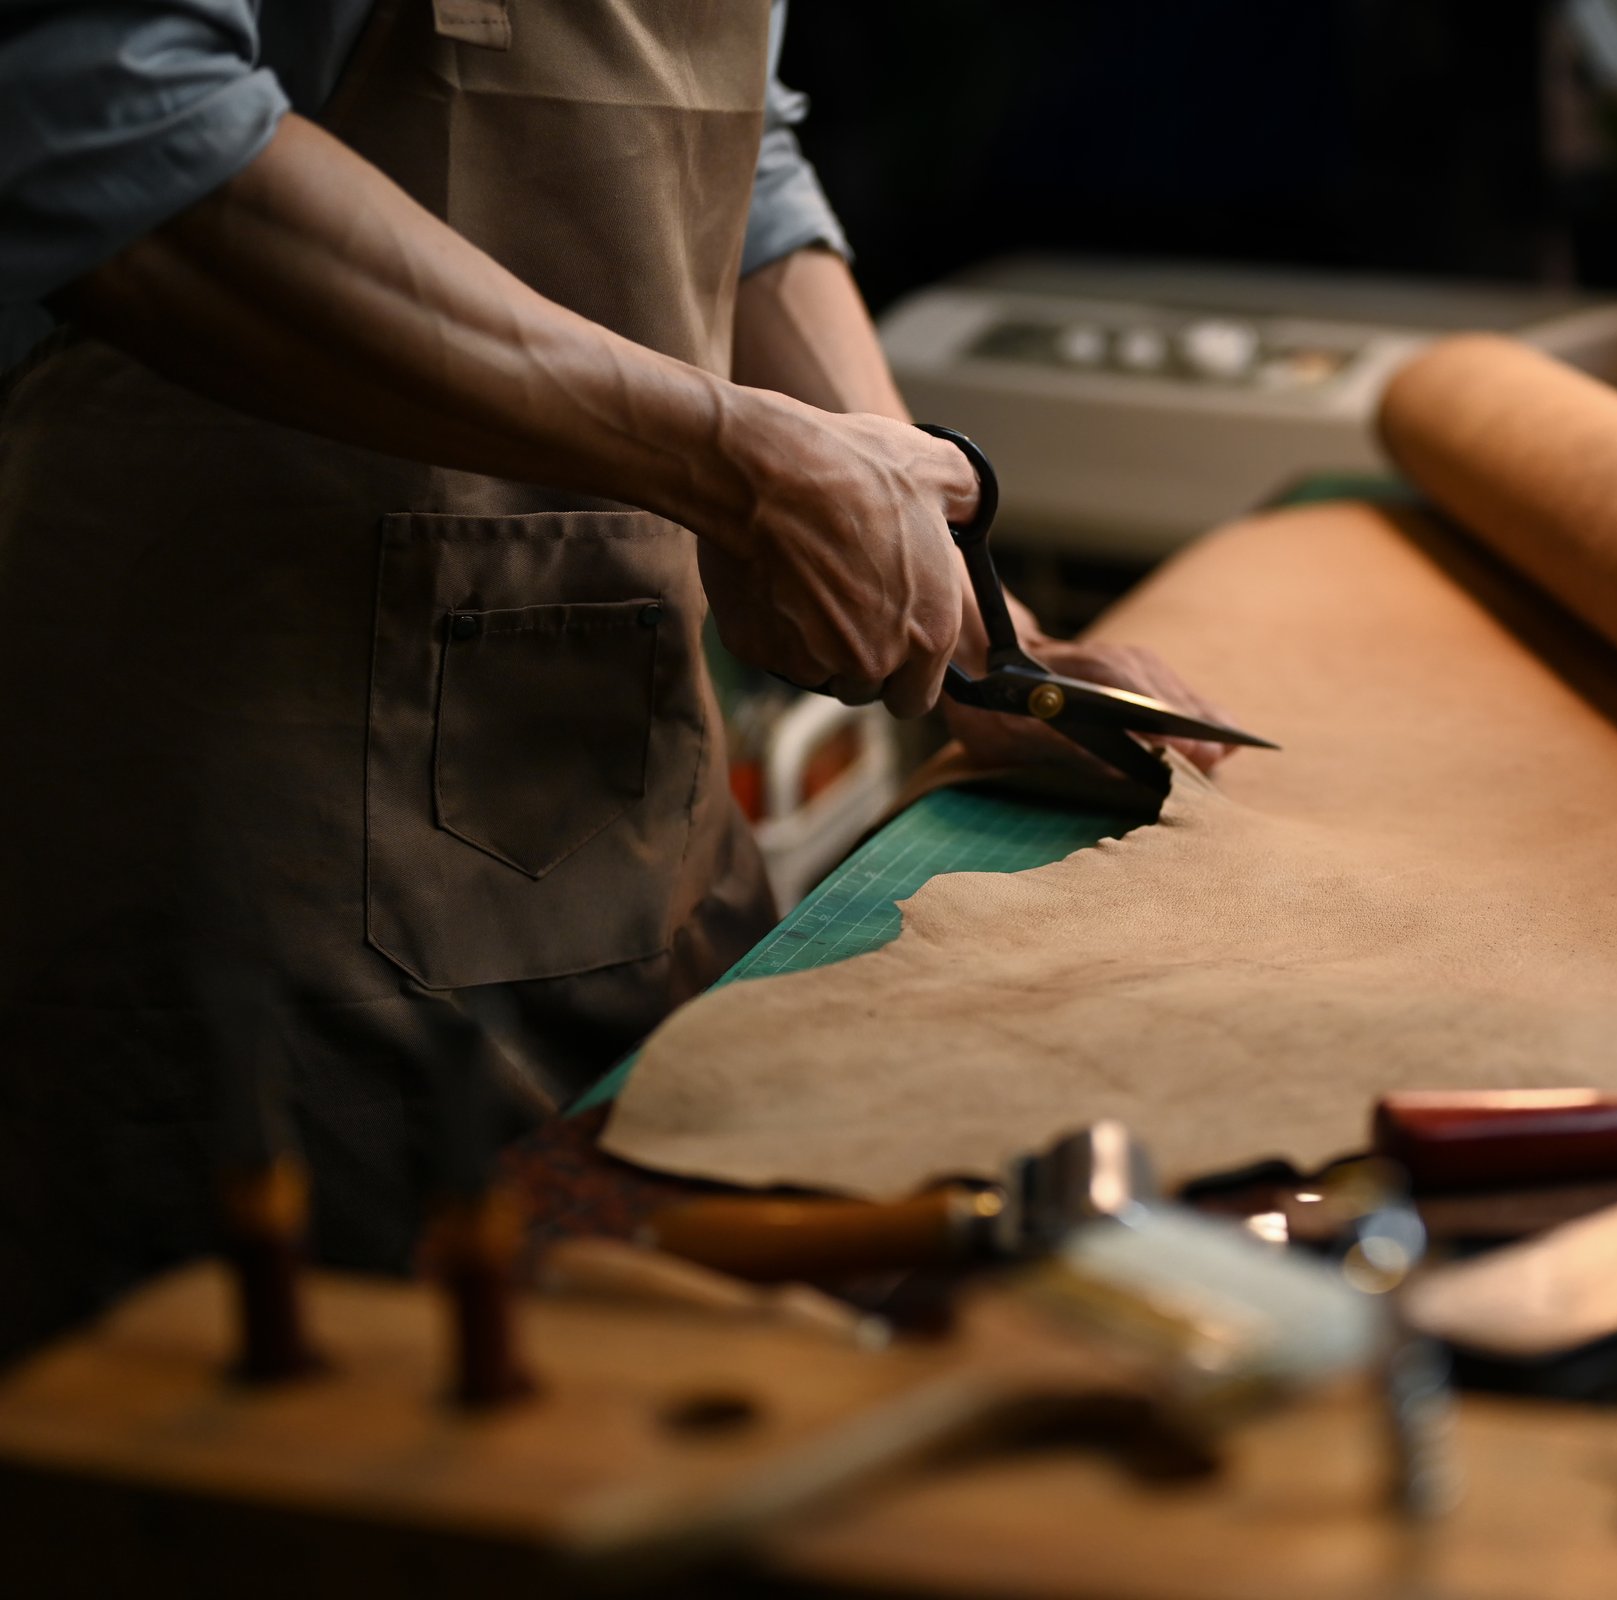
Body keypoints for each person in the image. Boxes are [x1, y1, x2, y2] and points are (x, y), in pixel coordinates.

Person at [0, 0, 1233, 1353]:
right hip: (248, 791)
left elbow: (737, 165)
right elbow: (107, 122)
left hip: (621, 791)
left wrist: (955, 605)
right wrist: (731, 461)